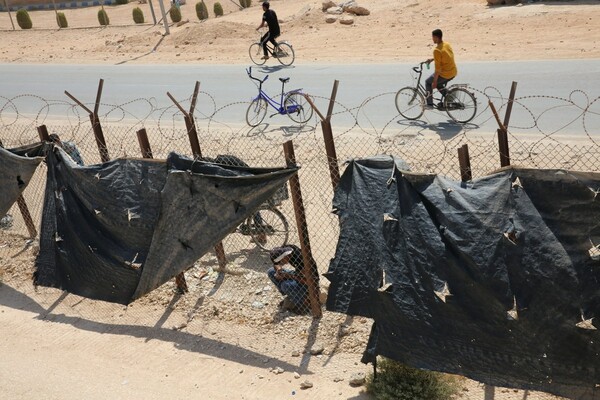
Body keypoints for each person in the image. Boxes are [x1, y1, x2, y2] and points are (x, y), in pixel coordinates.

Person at [267, 245, 318, 313]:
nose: (281, 264)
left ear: (284, 257)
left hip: (309, 280)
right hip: (298, 274)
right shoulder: (286, 249)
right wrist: (279, 270)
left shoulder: (301, 259)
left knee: (285, 285)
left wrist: (288, 276)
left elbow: (307, 281)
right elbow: (276, 264)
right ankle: (292, 296)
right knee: (271, 271)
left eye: (281, 262)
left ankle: (303, 304)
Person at [425, 29, 457, 109]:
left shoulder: (437, 50)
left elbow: (437, 70)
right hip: (453, 71)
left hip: (445, 73)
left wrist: (434, 82)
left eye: (432, 37)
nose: (432, 39)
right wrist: (432, 59)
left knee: (428, 82)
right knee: (439, 84)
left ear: (436, 37)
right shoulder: (446, 44)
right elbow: (444, 57)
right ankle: (449, 97)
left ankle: (430, 104)